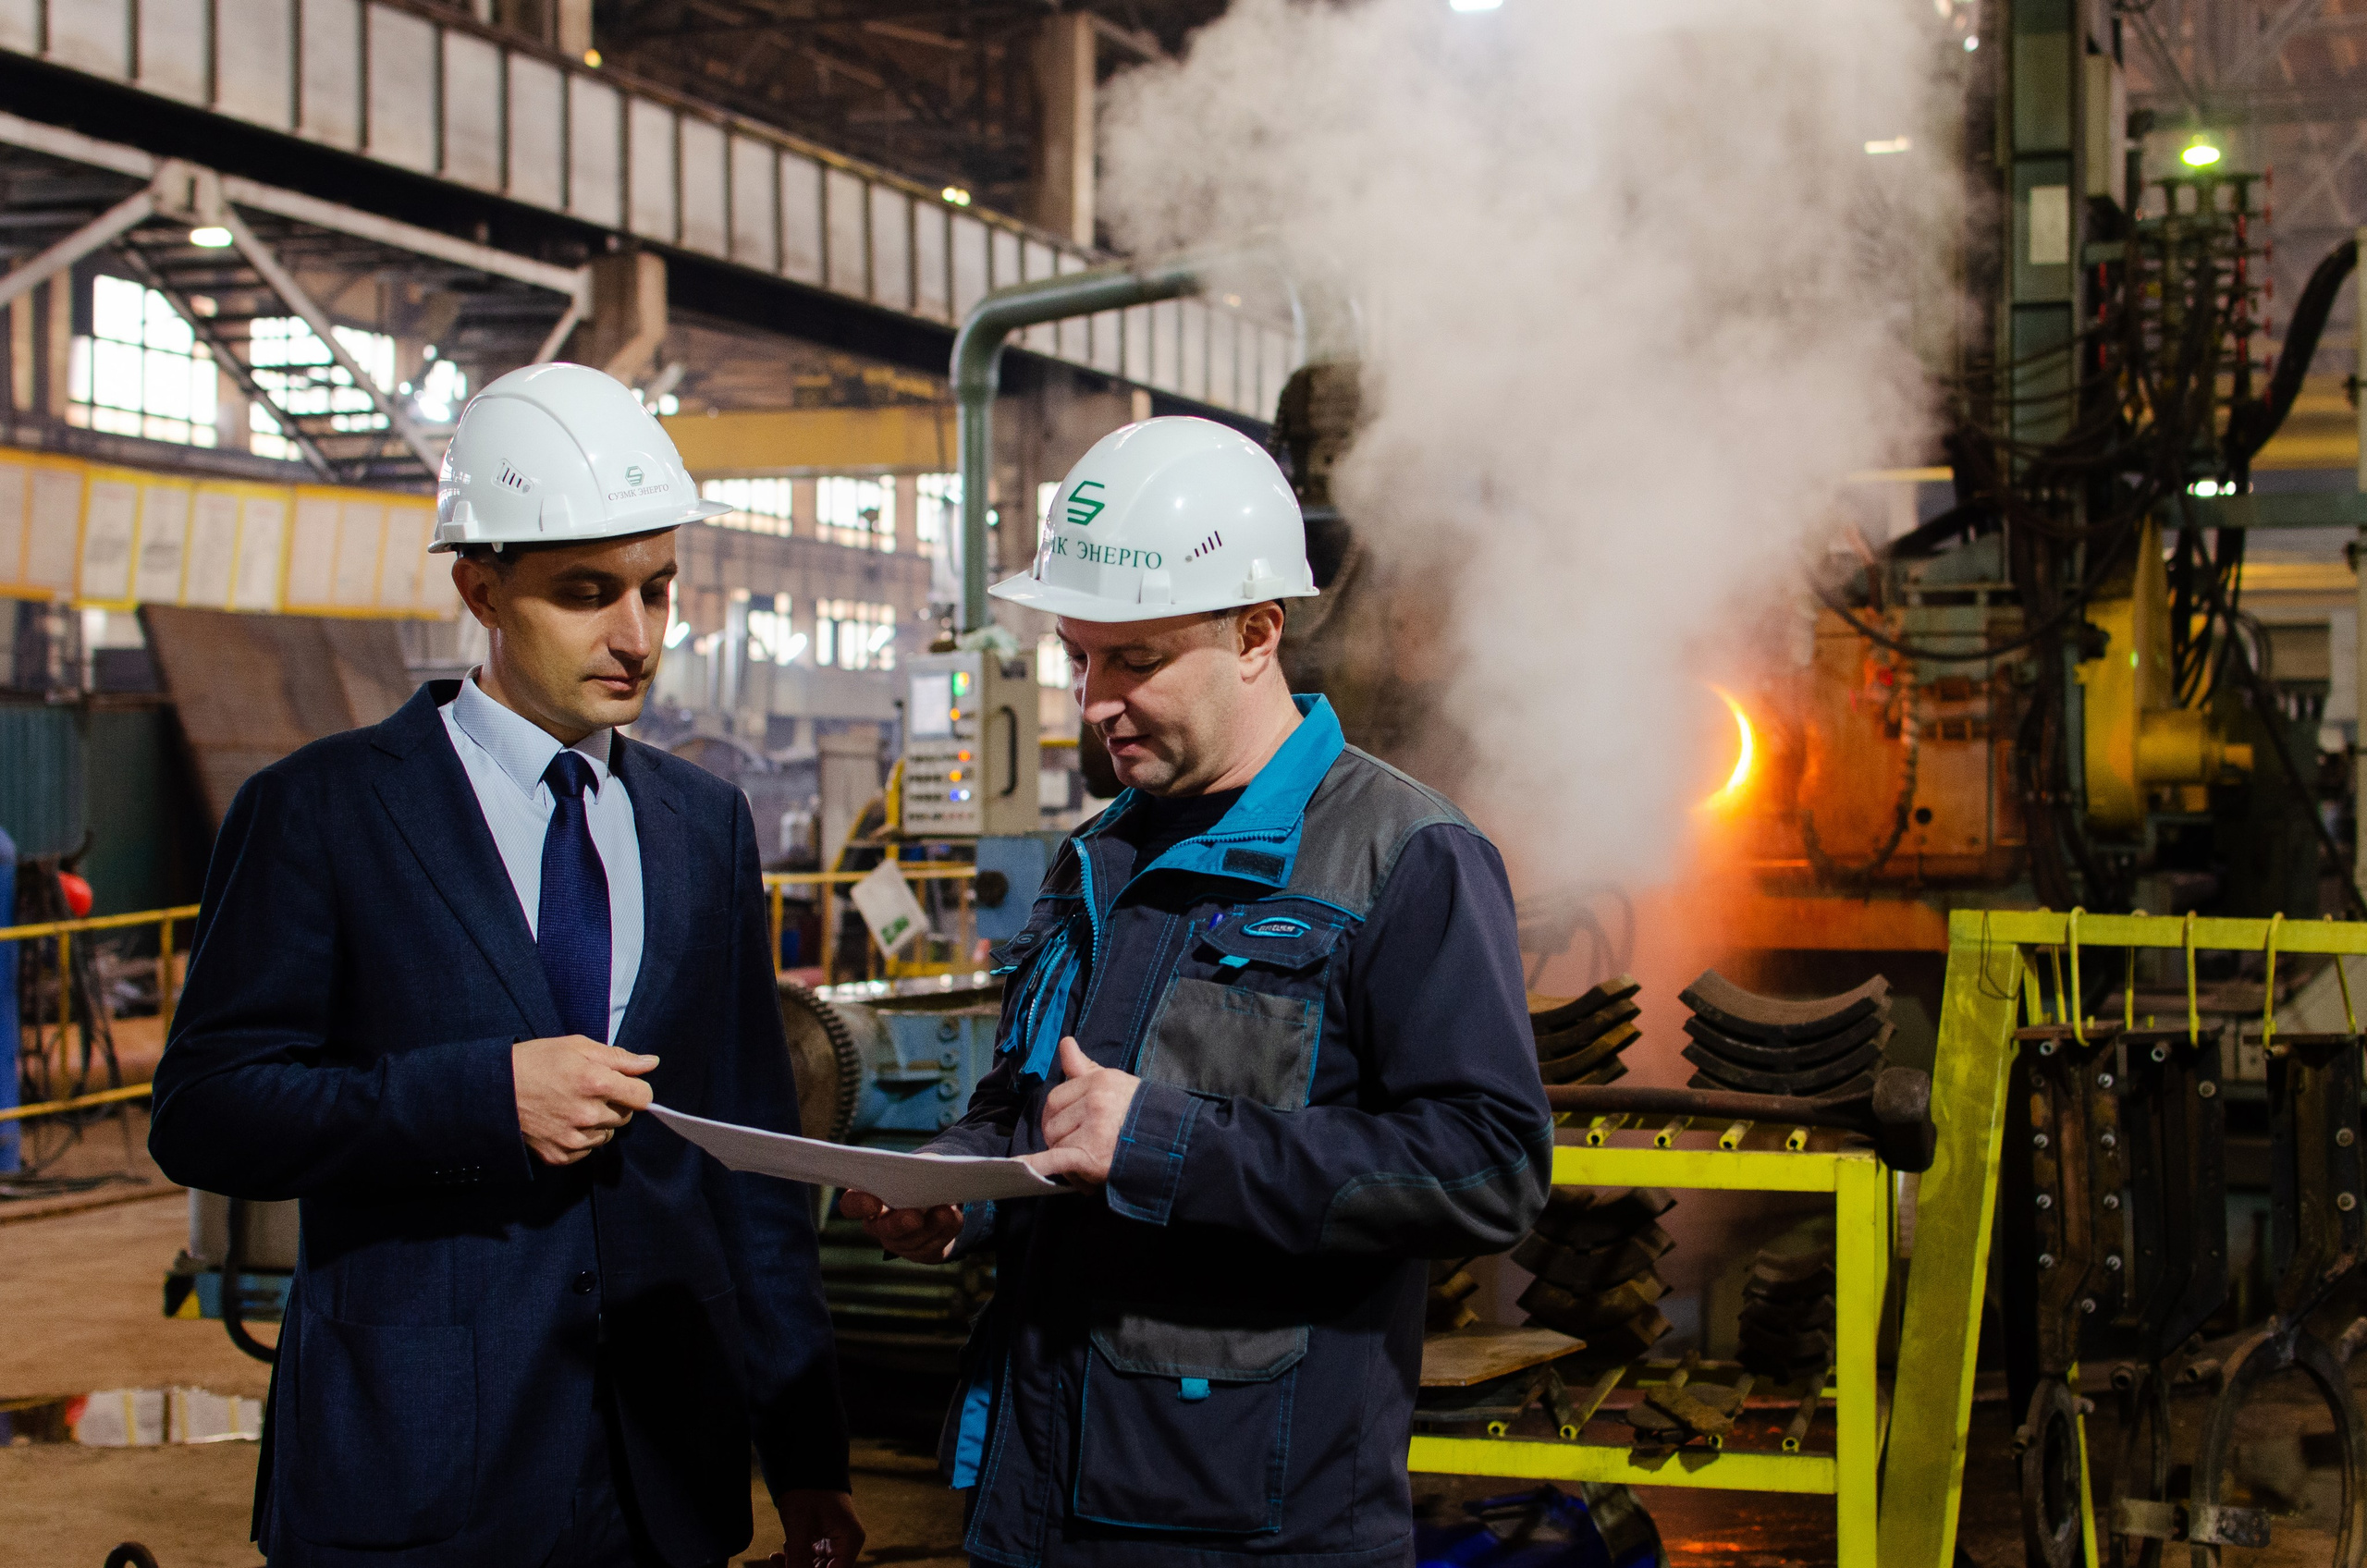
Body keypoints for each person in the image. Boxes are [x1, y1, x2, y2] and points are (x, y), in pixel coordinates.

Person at [149, 364, 863, 1568]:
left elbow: (752, 1162)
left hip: (661, 1479)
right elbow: (206, 1111)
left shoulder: (704, 826)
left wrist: (806, 1452)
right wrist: (482, 1099)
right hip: (419, 1467)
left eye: (657, 589)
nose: (636, 636)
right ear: (480, 588)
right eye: (587, 593)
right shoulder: (324, 811)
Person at [842, 416, 1553, 1567]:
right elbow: (1040, 1106)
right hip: (1034, 1504)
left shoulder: (1403, 856)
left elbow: (1489, 1166)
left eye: (1134, 659)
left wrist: (1164, 1145)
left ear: (1256, 633)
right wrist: (956, 1186)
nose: (1092, 700)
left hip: (1245, 1526)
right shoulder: (1097, 855)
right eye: (1077, 656)